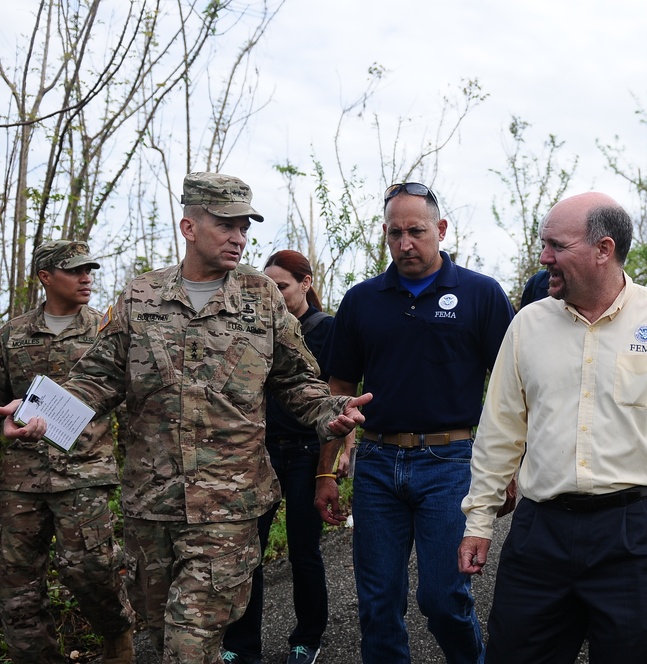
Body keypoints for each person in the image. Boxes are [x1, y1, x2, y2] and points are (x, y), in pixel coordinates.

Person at [1, 172, 371, 664]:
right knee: (158, 632)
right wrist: (40, 415)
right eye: (226, 225)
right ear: (189, 227)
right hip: (151, 507)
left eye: (244, 227)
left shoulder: (261, 299)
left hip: (227, 508)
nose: (239, 238)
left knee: (188, 643)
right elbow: (96, 377)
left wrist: (331, 411)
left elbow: (297, 382)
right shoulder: (140, 297)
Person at [459, 192, 647, 664]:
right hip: (539, 532)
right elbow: (499, 433)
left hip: (634, 534)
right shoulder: (528, 325)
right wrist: (479, 521)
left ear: (603, 250)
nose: (544, 257)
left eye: (556, 245)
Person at [313, 181, 514, 664]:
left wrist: (508, 468)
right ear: (385, 234)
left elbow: (513, 388)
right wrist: (326, 471)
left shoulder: (481, 295)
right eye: (395, 233)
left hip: (451, 464)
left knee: (444, 599)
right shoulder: (362, 300)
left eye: (417, 231)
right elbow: (337, 390)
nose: (406, 243)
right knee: (378, 604)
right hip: (379, 462)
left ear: (441, 229)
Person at [0, 240, 135, 663]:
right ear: (45, 277)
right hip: (21, 479)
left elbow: (132, 403)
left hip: (85, 473)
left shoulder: (107, 329)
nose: (86, 278)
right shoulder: (11, 335)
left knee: (91, 571)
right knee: (17, 588)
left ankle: (118, 637)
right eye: (75, 271)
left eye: (89, 270)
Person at [222, 250, 336, 664]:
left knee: (304, 550)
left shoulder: (324, 330)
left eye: (282, 286)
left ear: (306, 284)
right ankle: (240, 644)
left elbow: (329, 400)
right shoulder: (253, 328)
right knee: (248, 552)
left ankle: (307, 638)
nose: (274, 294)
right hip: (260, 452)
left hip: (306, 452)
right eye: (268, 286)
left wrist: (331, 468)